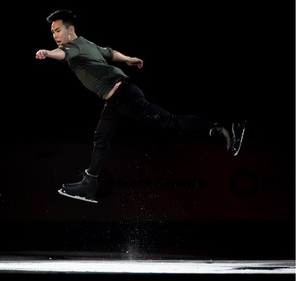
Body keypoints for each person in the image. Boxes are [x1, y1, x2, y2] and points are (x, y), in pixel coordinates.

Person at [35, 9, 246, 203]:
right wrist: (128, 59)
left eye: (58, 30)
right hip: (115, 100)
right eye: (53, 32)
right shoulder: (85, 43)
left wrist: (47, 52)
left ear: (70, 29)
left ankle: (221, 129)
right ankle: (90, 183)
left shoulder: (72, 48)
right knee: (101, 137)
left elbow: (62, 54)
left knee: (167, 121)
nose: (55, 35)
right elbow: (109, 52)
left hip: (125, 97)